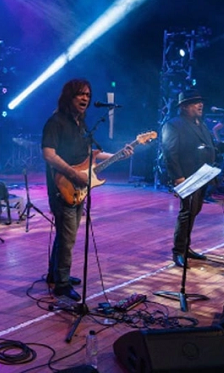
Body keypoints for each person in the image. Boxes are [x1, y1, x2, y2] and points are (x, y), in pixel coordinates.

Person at [41, 78, 133, 301]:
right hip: (62, 185)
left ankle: (55, 274)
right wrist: (74, 175)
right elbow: (49, 154)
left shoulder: (81, 125)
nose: (85, 98)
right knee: (68, 237)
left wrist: (118, 156)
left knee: (65, 234)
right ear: (69, 96)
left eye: (88, 95)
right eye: (81, 94)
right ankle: (62, 285)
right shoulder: (55, 122)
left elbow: (91, 154)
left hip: (78, 186)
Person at [162, 89, 224, 268]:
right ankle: (178, 251)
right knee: (186, 213)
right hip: (187, 177)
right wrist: (178, 177)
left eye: (201, 102)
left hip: (203, 176)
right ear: (184, 106)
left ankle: (185, 247)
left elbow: (214, 147)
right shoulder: (173, 125)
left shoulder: (201, 124)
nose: (200, 105)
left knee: (193, 211)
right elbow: (170, 153)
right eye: (195, 102)